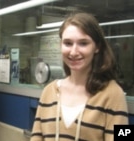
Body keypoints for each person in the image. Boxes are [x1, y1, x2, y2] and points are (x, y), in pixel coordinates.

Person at [30, 12, 129, 141]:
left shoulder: (114, 94)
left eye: (83, 43)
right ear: (61, 45)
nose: (74, 52)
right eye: (68, 43)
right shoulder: (48, 92)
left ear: (97, 47)